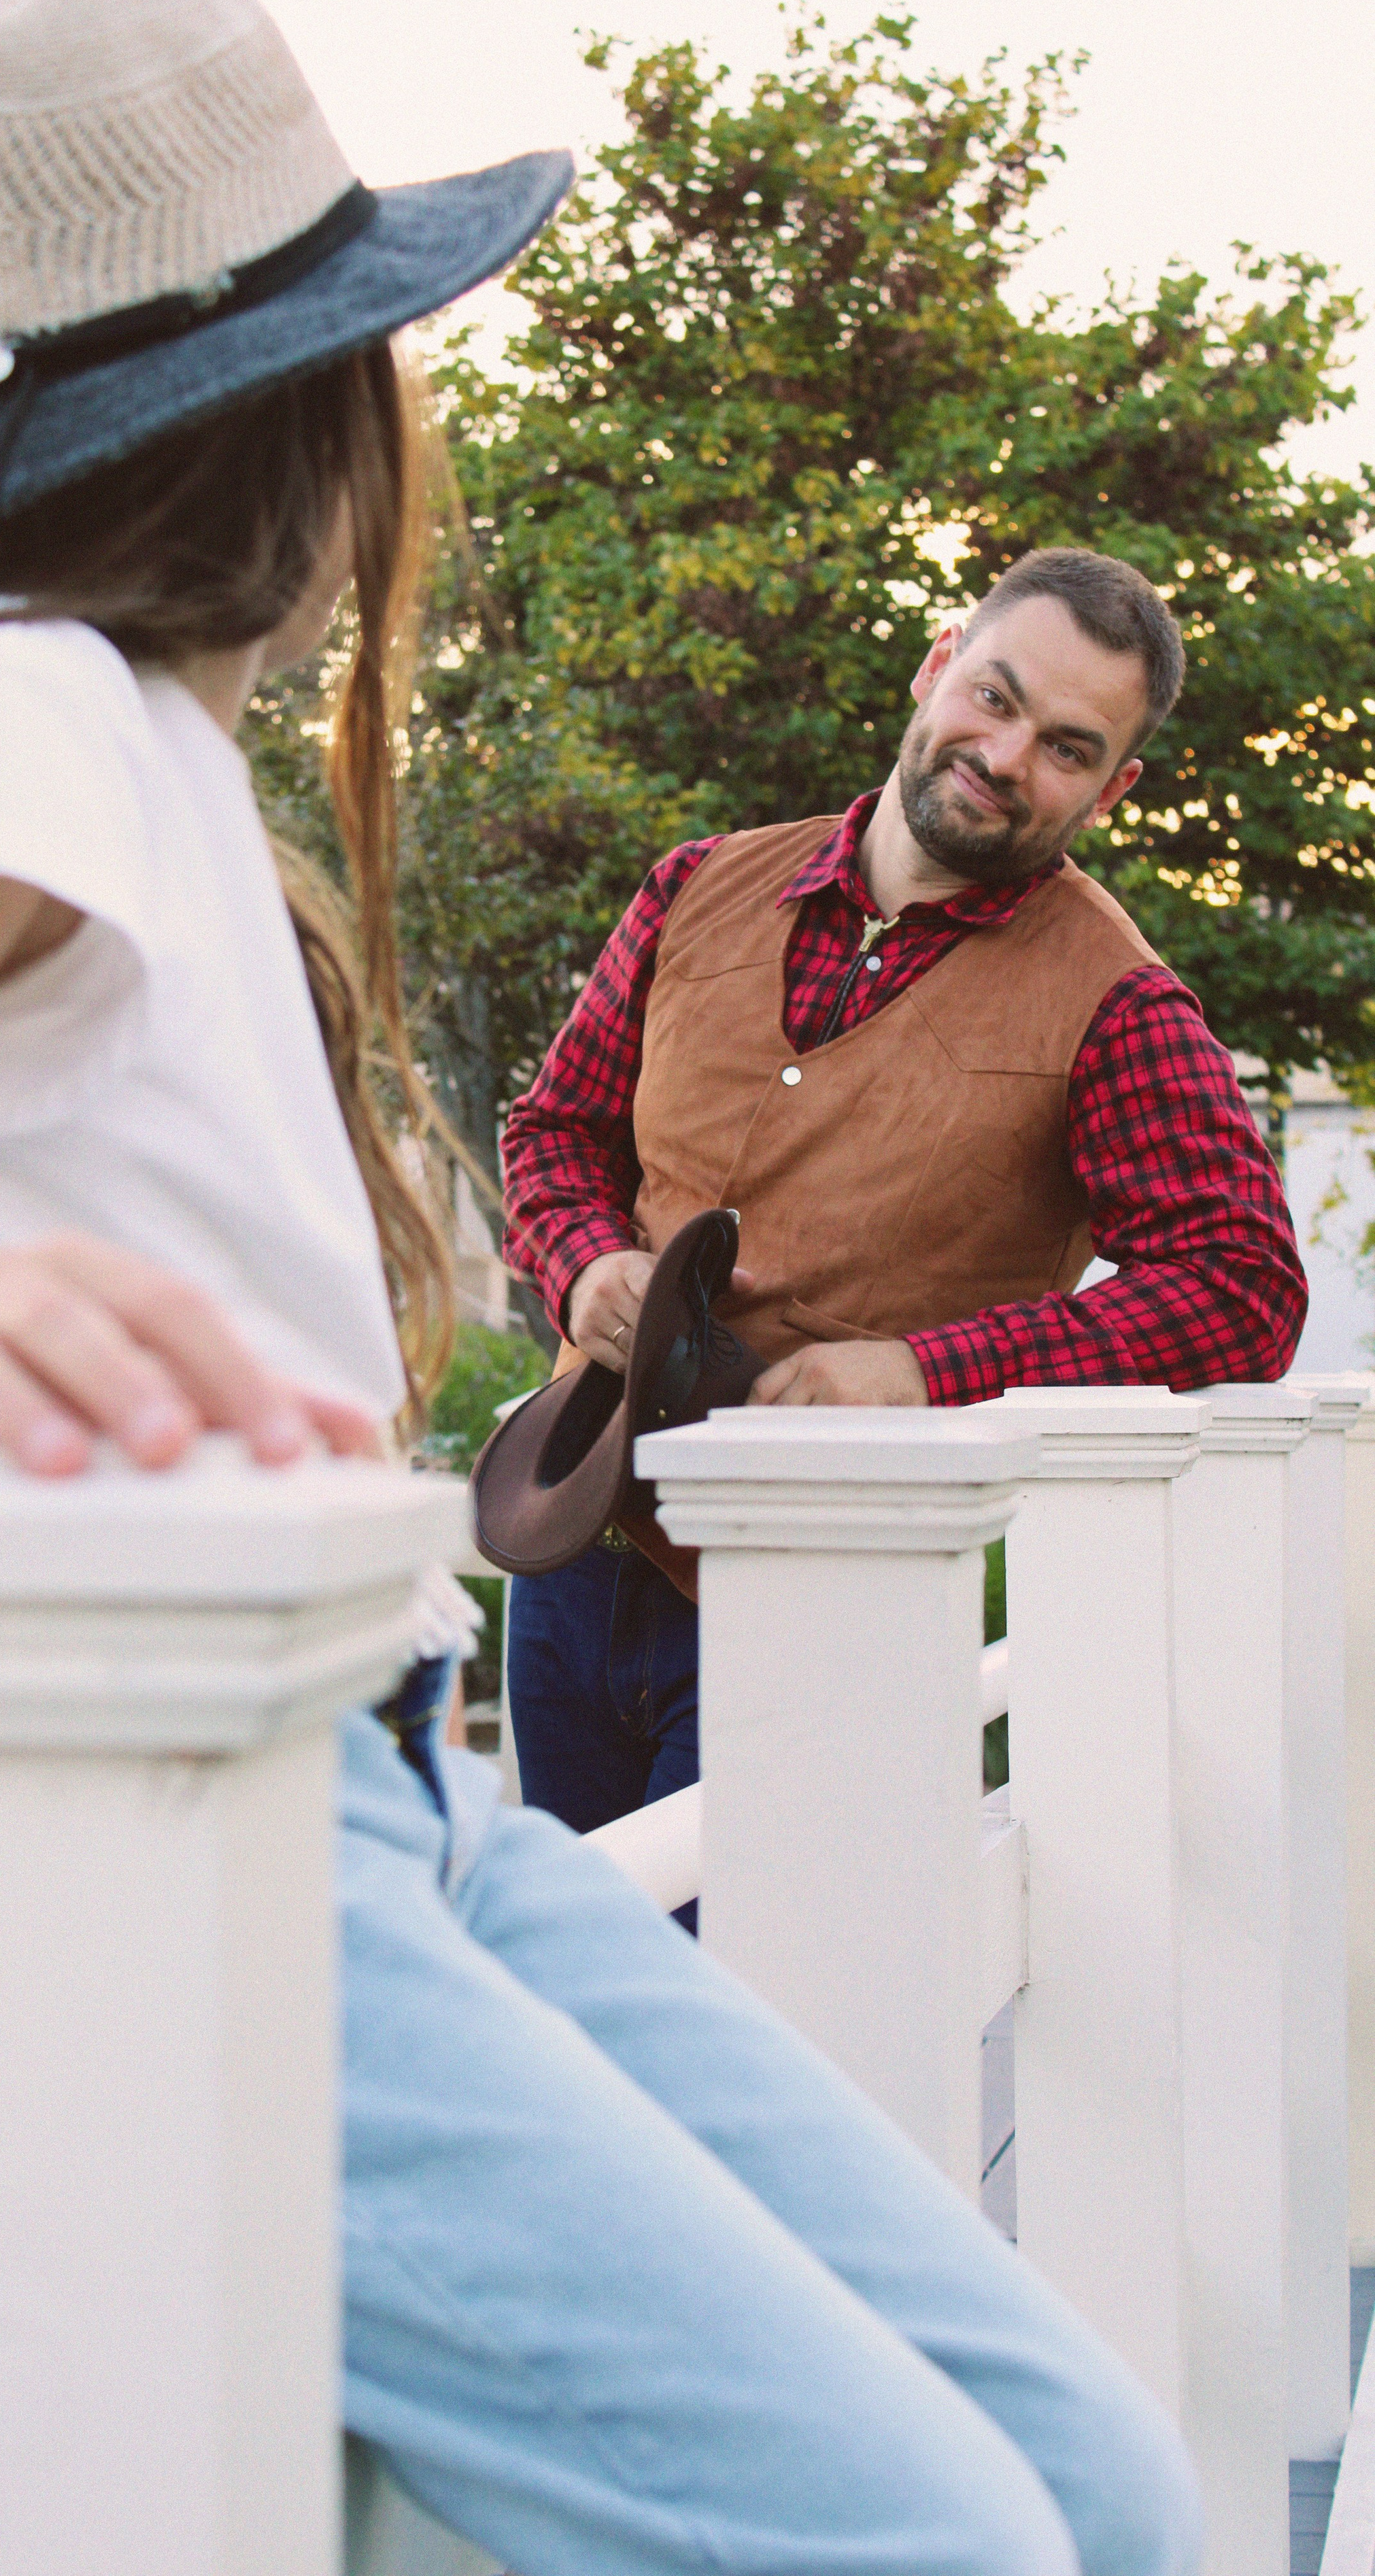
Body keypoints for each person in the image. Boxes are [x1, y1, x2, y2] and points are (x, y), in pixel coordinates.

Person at [0, 0, 1200, 2569]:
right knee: (954, 2541)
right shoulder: (5, 695)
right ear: (304, 396)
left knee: (1092, 2487)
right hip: (176, 1869)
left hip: (390, 1814)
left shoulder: (82, 720)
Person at [500, 550, 1308, 1842]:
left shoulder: (1120, 999)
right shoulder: (696, 884)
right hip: (570, 1556)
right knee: (568, 2018)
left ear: (1113, 787)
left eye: (1067, 746)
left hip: (827, 1592)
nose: (1005, 755)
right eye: (995, 697)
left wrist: (927, 1371)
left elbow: (1244, 1290)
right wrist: (586, 1264)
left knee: (734, 2021)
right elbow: (556, 1132)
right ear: (939, 666)